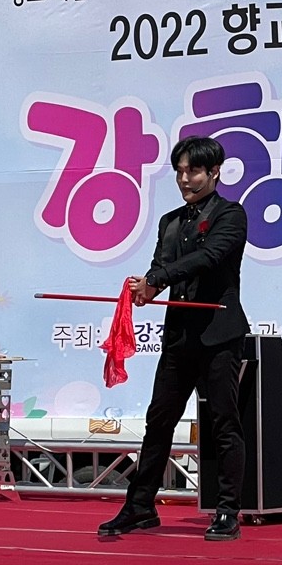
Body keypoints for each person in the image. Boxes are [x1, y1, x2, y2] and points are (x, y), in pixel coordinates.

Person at [98, 135, 250, 541]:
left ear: (214, 172)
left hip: (218, 335)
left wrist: (159, 278)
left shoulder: (231, 215)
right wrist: (147, 287)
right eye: (180, 171)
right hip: (180, 336)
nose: (184, 179)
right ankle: (140, 506)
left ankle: (227, 510)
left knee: (223, 423)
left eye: (193, 171)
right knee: (159, 421)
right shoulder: (169, 221)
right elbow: (160, 265)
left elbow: (209, 256)